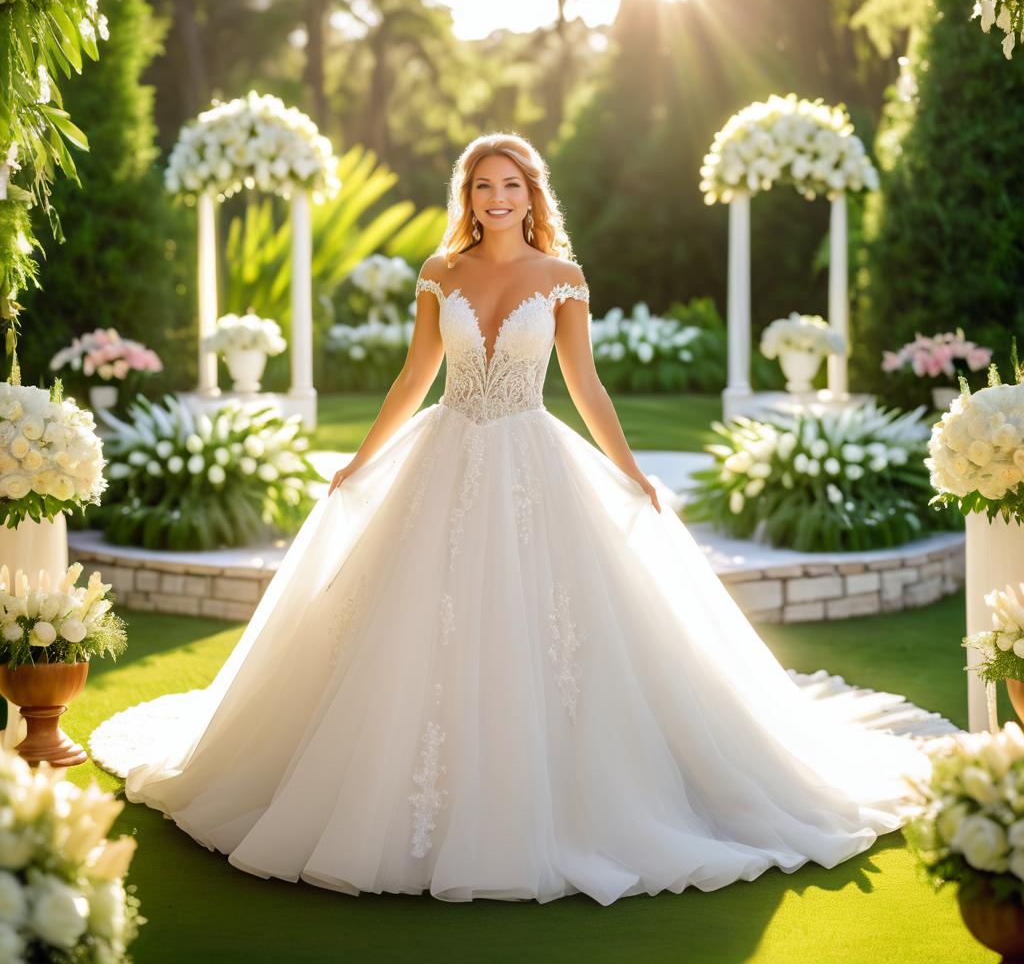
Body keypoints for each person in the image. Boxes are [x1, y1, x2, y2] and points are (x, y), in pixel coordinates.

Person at [93, 132, 944, 907]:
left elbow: (585, 386)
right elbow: (413, 377)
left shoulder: (562, 279)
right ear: (466, 196)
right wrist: (359, 460)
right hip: (447, 452)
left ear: (533, 195)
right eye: (482, 185)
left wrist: (632, 471)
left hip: (534, 461)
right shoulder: (441, 273)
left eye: (510, 185)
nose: (496, 198)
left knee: (556, 635)